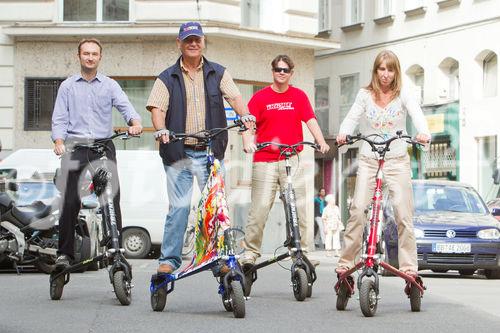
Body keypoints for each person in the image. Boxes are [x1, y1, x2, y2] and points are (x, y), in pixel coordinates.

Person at [147, 22, 255, 274]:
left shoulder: (218, 73)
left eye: (197, 39)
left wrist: (246, 116)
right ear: (179, 43)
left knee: (216, 207)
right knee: (180, 208)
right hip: (178, 152)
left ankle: (220, 259)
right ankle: (169, 260)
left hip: (210, 153)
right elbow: (157, 109)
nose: (193, 44)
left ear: (203, 42)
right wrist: (161, 129)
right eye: (188, 40)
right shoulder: (167, 77)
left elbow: (236, 98)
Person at [335, 50, 430, 277]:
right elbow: (352, 117)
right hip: (369, 159)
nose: (385, 74)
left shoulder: (403, 94)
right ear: (375, 71)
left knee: (403, 214)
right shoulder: (364, 95)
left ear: (396, 72)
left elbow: (417, 115)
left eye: (390, 69)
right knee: (357, 209)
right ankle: (347, 262)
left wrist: (424, 132)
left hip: (397, 161)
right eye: (381, 68)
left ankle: (408, 267)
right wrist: (343, 133)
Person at [51, 38, 143, 268]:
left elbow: (125, 106)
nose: (90, 57)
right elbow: (59, 119)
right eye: (86, 53)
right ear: (79, 56)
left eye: (94, 54)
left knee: (112, 196)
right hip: (75, 147)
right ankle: (65, 253)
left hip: (103, 146)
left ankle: (115, 246)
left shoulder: (110, 85)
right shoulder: (68, 86)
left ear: (100, 57)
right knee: (70, 200)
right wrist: (59, 141)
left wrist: (135, 122)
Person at [240, 54, 330, 267]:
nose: (281, 73)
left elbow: (310, 119)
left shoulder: (298, 96)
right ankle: (250, 253)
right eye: (278, 69)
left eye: (285, 70)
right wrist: (247, 141)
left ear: (291, 73)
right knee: (259, 211)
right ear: (272, 72)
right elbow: (248, 126)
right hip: (265, 161)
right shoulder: (260, 98)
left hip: (292, 159)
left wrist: (321, 141)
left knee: (300, 209)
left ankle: (301, 251)